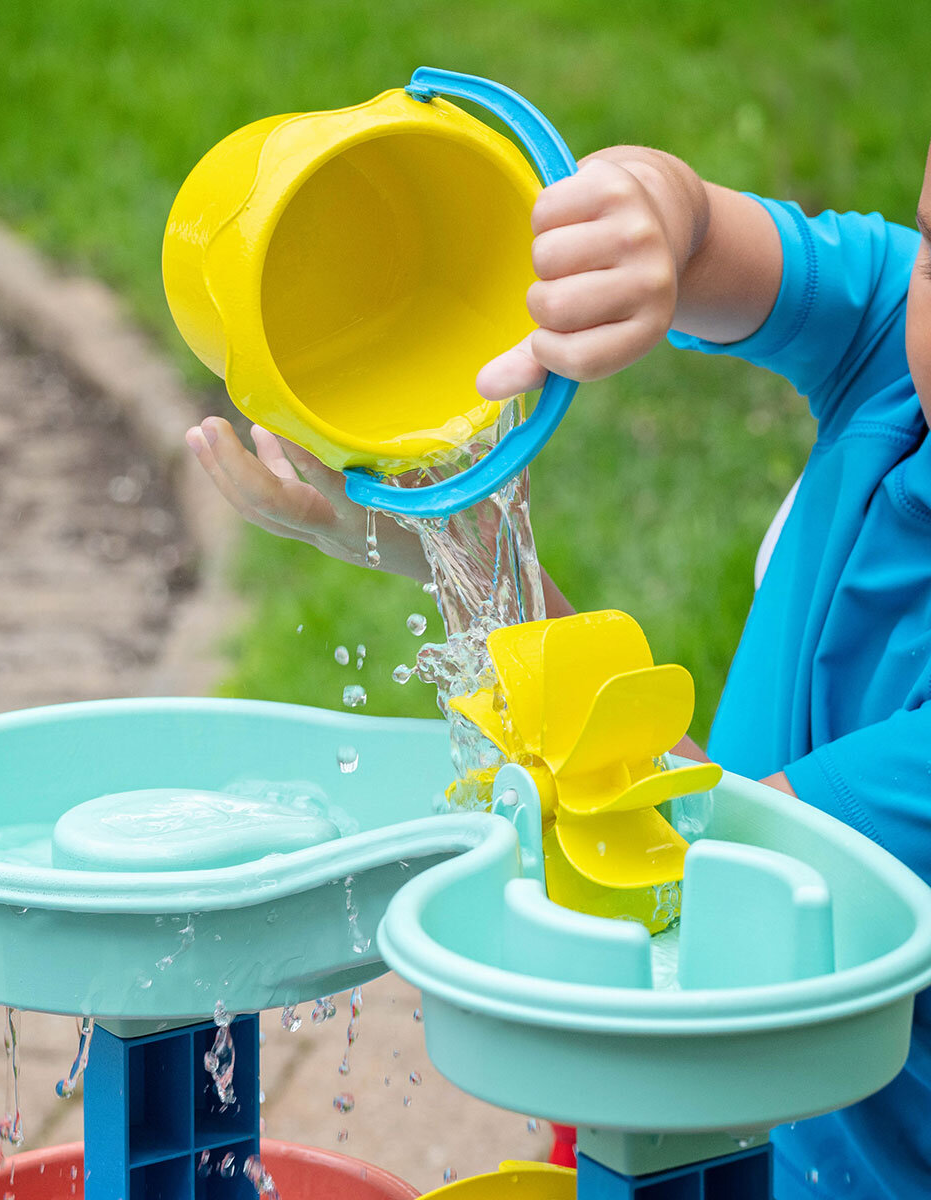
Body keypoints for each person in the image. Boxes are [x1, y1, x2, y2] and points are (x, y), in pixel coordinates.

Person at [185, 144, 931, 1198]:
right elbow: (714, 236)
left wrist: (478, 559)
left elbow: (685, 875)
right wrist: (643, 217)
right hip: (697, 1126)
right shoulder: (896, 356)